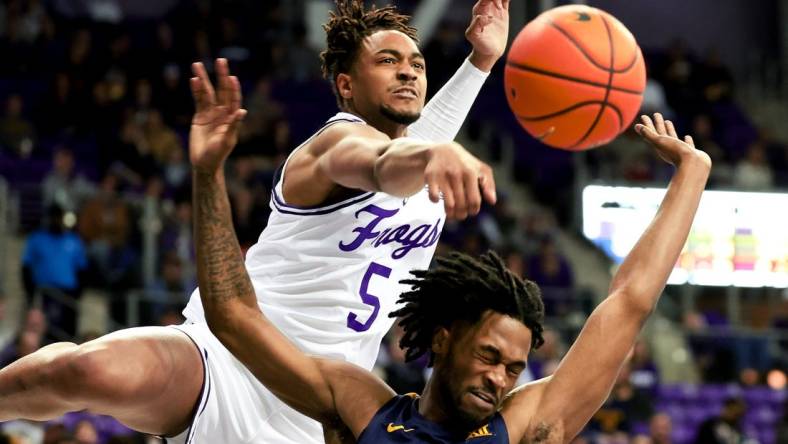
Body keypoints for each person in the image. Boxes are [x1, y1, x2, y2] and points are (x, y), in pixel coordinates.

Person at [0, 1, 511, 442]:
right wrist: (433, 156)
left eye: (418, 64)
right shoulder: (334, 145)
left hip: (323, 405)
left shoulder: (422, 155)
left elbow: (427, 135)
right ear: (347, 84)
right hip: (230, 361)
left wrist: (480, 61)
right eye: (388, 61)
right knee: (87, 369)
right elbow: (380, 165)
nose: (409, 72)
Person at [191, 111, 711, 443]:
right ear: (442, 340)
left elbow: (630, 301)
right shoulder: (359, 404)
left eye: (513, 368)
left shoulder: (526, 424)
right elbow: (233, 317)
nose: (499, 379)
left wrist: (693, 171)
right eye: (489, 356)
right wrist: (209, 175)